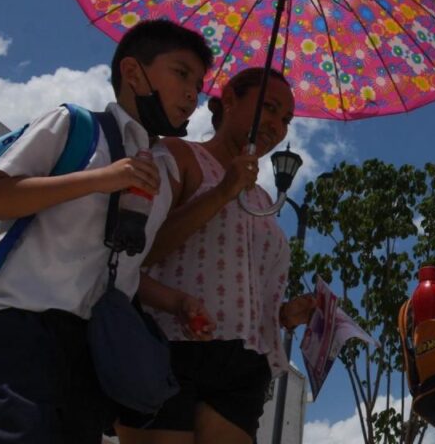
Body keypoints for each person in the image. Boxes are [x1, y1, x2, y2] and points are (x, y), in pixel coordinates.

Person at [0, 18, 214, 444]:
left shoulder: (161, 168)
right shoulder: (75, 125)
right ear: (133, 73)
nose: (194, 93)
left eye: (199, 82)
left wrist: (176, 302)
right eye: (181, 73)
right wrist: (101, 179)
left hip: (90, 346)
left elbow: (121, 269)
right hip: (23, 323)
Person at [117, 67, 316, 444]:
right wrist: (222, 192)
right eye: (269, 108)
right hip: (167, 345)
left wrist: (284, 315)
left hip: (241, 365)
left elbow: (238, 286)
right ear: (229, 100)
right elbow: (135, 248)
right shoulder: (179, 156)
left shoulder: (260, 200)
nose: (277, 124)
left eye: (286, 118)